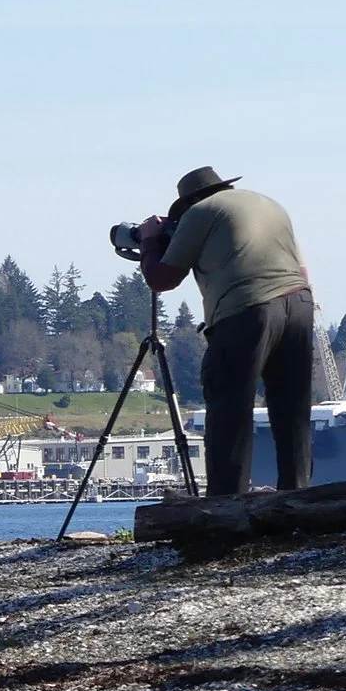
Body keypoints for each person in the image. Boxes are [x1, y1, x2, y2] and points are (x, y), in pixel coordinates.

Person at [136, 165, 315, 495]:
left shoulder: (200, 213)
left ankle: (225, 505)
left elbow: (163, 279)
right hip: (300, 305)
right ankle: (298, 498)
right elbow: (302, 270)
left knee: (230, 411)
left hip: (246, 309)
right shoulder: (271, 205)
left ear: (189, 201)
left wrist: (149, 241)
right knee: (292, 412)